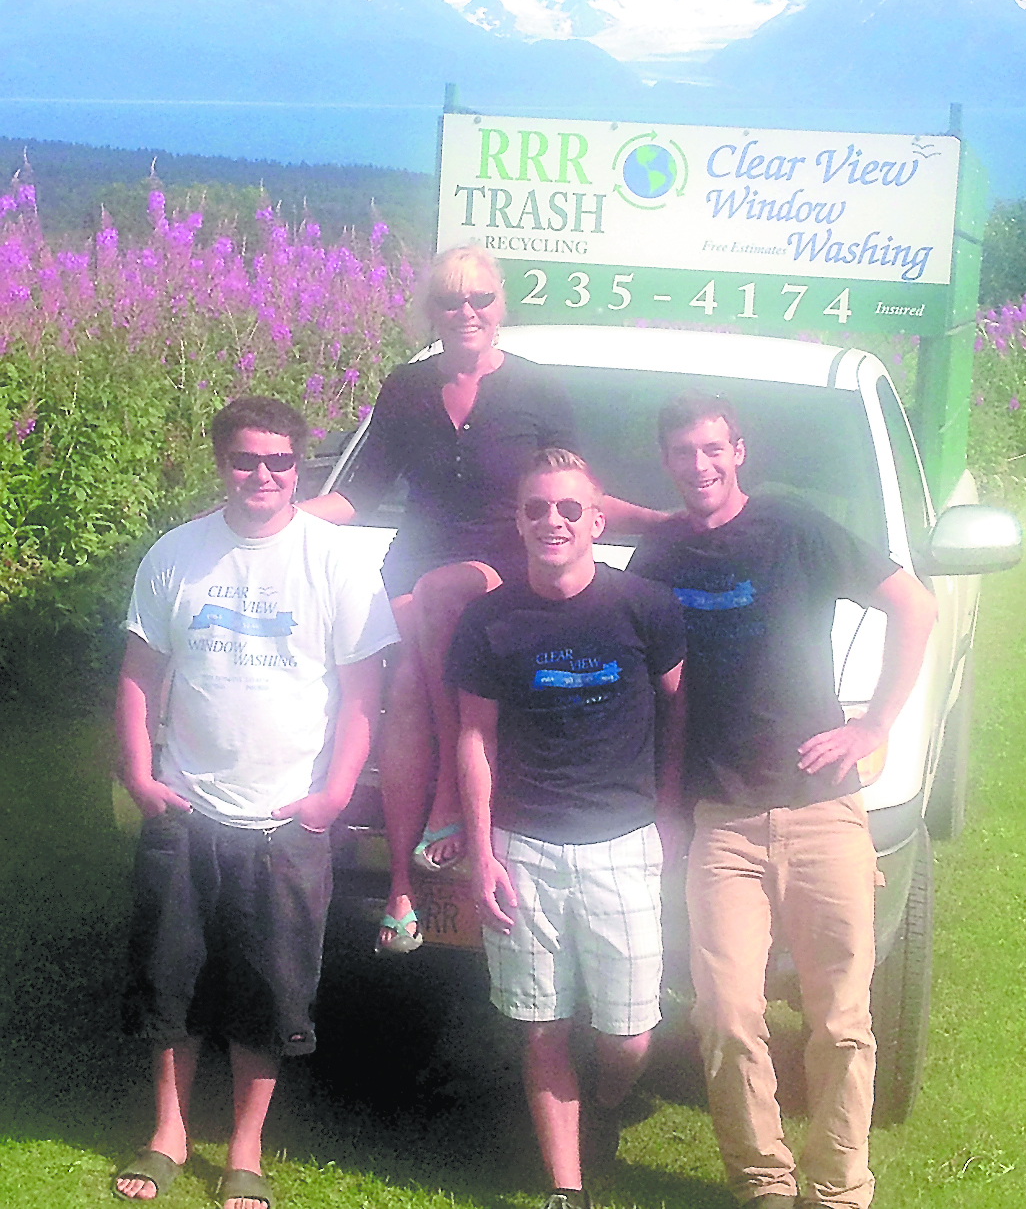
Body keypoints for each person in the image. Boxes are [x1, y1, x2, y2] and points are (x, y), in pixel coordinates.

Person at [302, 245, 668, 953]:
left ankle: (447, 804)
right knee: (407, 681)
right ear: (430, 311)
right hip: (411, 562)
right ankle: (402, 891)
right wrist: (270, 516)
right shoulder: (404, 388)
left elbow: (574, 490)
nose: (464, 313)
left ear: (501, 307)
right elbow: (362, 492)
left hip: (503, 569)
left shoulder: (538, 390)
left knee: (438, 603)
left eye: (479, 300)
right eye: (449, 301)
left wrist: (658, 520)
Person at [630, 393, 937, 1209]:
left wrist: (873, 722)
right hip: (718, 822)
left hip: (820, 809)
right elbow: (654, 687)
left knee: (839, 1019)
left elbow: (913, 602)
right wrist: (662, 807)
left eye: (712, 449)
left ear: (737, 450)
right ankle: (763, 1181)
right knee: (725, 1016)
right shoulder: (655, 558)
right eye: (683, 453)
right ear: (667, 462)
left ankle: (837, 1187)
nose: (699, 465)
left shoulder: (793, 527)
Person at [113, 396, 399, 1209]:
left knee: (269, 993)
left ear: (300, 465)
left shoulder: (335, 560)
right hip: (187, 808)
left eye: (279, 461)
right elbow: (138, 675)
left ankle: (245, 1148)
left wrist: (334, 794)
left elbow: (362, 696)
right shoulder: (177, 555)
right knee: (171, 981)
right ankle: (168, 1132)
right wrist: (139, 776)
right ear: (222, 463)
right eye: (246, 460)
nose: (262, 475)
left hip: (286, 823)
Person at [451, 448, 686, 1208]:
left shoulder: (645, 606)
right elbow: (474, 739)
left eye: (567, 509)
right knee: (540, 1026)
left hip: (622, 842)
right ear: (518, 520)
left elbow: (680, 709)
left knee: (629, 1037)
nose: (551, 521)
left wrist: (670, 812)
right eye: (535, 508)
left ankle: (606, 1104)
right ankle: (566, 1187)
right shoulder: (488, 621)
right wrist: (482, 851)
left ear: (595, 520)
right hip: (524, 848)